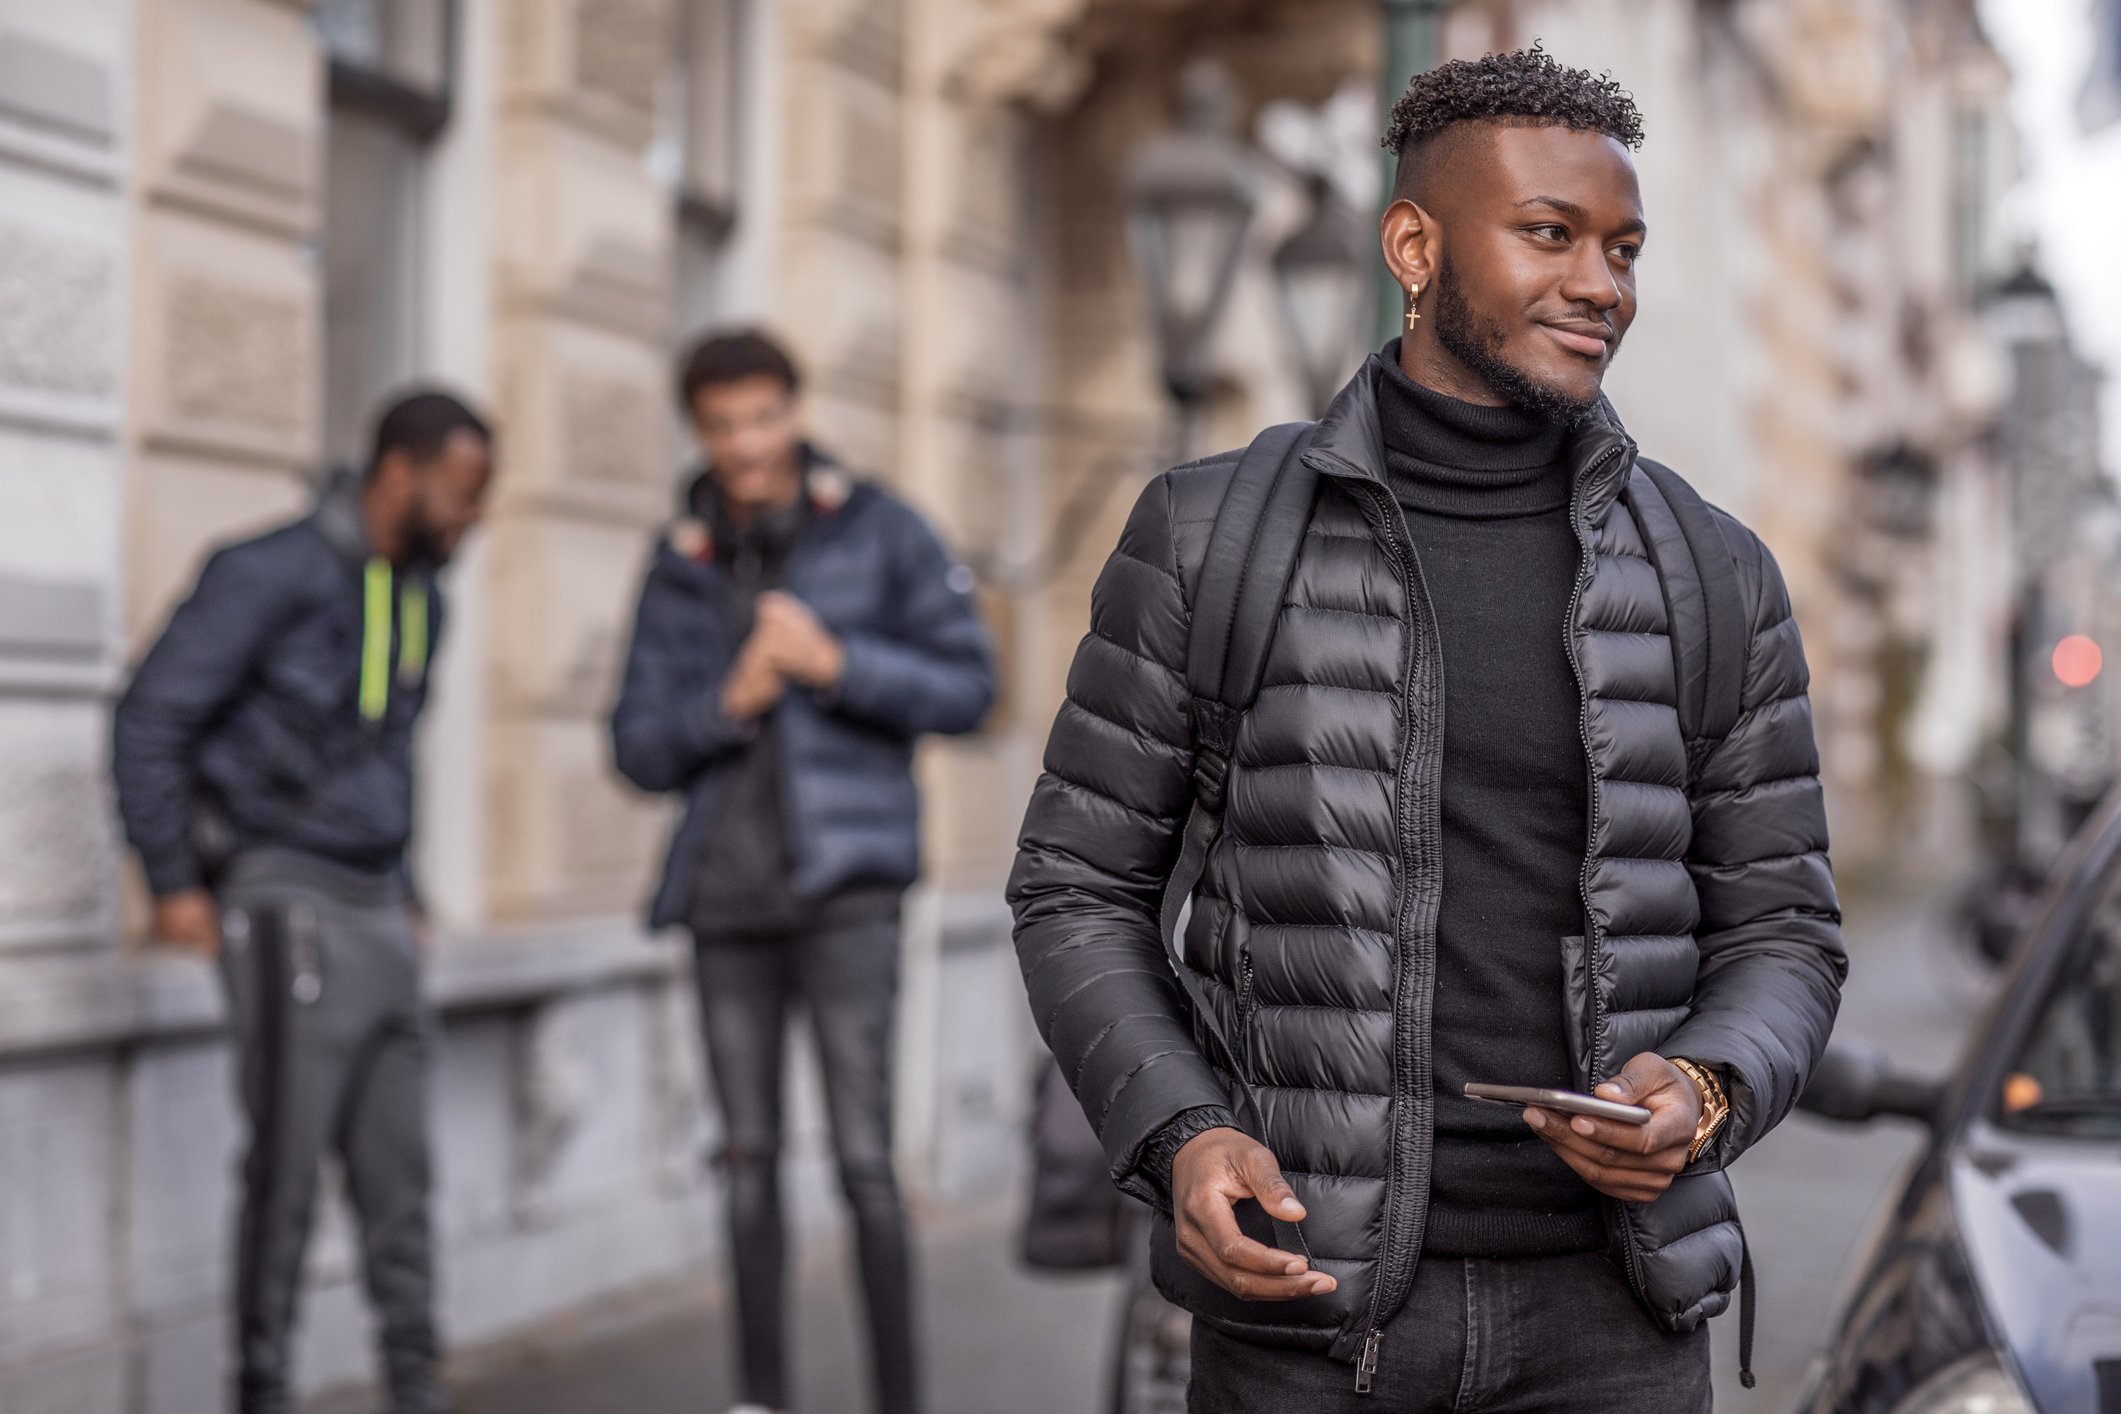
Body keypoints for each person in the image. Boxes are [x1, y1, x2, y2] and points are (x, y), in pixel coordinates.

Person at [1009, 47, 1846, 1413]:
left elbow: (1784, 933)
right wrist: (1182, 1132)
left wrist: (1707, 1080)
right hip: (1305, 1310)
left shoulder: (1713, 573)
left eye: (1623, 247)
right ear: (1414, 244)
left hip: (1615, 1326)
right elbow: (1075, 884)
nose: (1601, 285)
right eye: (1549, 234)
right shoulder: (1211, 534)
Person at [610, 328, 996, 1414]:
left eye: (763, 417)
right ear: (700, 427)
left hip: (849, 892)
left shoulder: (879, 531)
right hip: (724, 902)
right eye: (724, 425)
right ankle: (760, 1400)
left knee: (867, 1166)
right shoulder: (677, 560)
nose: (746, 445)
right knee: (743, 1163)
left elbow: (974, 684)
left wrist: (837, 664)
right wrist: (724, 701)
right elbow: (636, 747)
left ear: (794, 410)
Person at [113, 391, 495, 1414]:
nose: (473, 518)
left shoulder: (424, 598)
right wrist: (173, 880)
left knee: (401, 1175)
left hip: (375, 907)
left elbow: (385, 756)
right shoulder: (266, 573)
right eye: (460, 496)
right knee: (286, 1175)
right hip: (283, 898)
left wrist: (407, 885)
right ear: (400, 474)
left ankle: (416, 1384)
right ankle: (263, 1388)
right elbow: (150, 718)